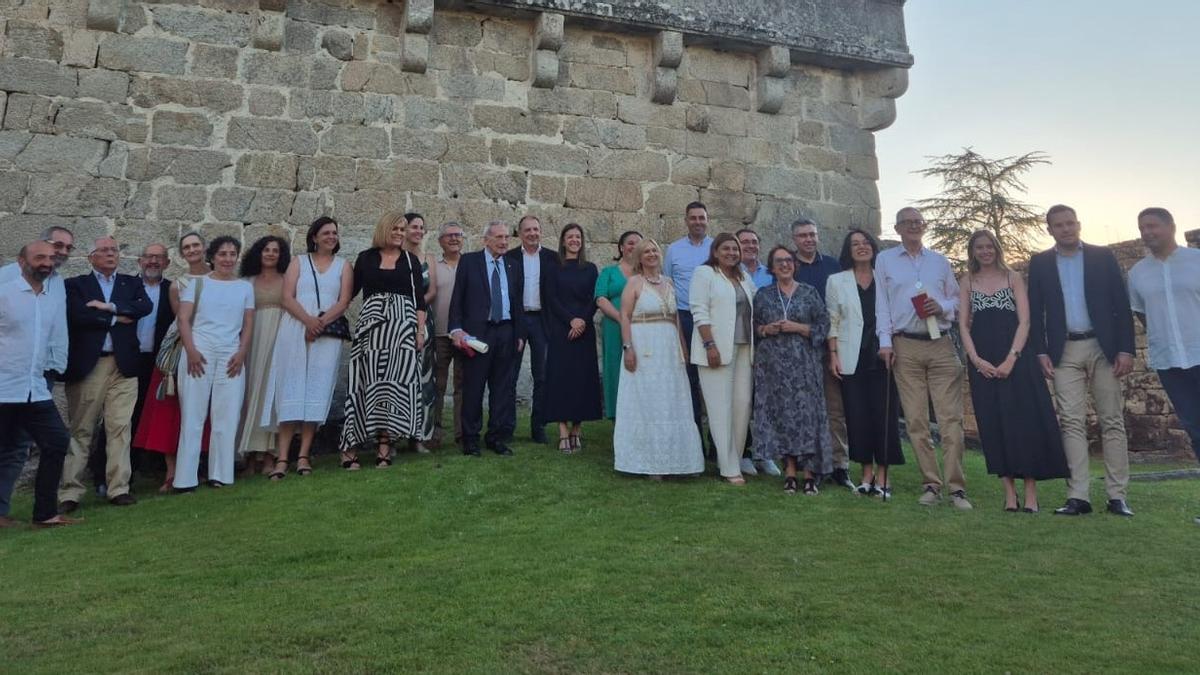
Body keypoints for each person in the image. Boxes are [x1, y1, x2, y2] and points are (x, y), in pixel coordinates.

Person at [1027, 204, 1136, 517]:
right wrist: (1041, 351)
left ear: (1079, 224)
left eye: (1071, 223)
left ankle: (1117, 496)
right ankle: (1078, 496)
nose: (1066, 229)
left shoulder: (1102, 257)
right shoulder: (1041, 263)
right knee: (1071, 422)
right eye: (1059, 225)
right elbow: (1035, 311)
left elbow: (1121, 304)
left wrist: (1126, 349)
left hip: (1104, 348)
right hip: (1065, 350)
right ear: (1050, 230)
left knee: (1112, 420)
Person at [958, 230, 1068, 512]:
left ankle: (1030, 492)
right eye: (979, 247)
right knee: (994, 424)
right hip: (983, 362)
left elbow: (1025, 322)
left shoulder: (1013, 277)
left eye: (989, 246)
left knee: (1024, 423)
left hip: (1017, 359)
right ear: (972, 251)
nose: (985, 251)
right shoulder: (968, 281)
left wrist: (1011, 358)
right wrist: (976, 360)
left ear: (997, 248)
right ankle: (1009, 493)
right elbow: (963, 326)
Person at [876, 207, 972, 509]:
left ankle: (957, 488)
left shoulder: (939, 261)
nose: (914, 227)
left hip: (940, 343)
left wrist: (940, 306)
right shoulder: (885, 260)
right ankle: (931, 483)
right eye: (908, 223)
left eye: (918, 222)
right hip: (906, 345)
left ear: (924, 226)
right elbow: (883, 304)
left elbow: (957, 300)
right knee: (916, 420)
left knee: (950, 419)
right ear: (898, 228)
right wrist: (885, 343)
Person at [58, 237, 152, 512]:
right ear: (91, 257)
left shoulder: (131, 283)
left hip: (124, 366)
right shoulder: (76, 285)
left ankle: (118, 487)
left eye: (114, 250)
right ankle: (70, 492)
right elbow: (77, 316)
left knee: (120, 428)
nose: (111, 254)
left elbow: (143, 307)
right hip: (91, 366)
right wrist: (115, 318)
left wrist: (108, 307)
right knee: (82, 429)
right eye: (105, 251)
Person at [263, 217, 352, 477]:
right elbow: (286, 297)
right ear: (314, 236)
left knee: (316, 389)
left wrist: (320, 324)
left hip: (326, 333)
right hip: (295, 329)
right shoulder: (298, 262)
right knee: (290, 389)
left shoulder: (343, 266)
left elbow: (344, 300)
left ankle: (303, 455)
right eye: (326, 232)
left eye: (335, 232)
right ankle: (282, 458)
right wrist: (308, 321)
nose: (331, 237)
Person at [1127, 207, 1199, 524]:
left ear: (1171, 226)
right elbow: (1141, 314)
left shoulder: (1196, 261)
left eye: (1153, 226)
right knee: (1196, 430)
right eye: (1142, 227)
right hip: (1170, 361)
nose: (1147, 232)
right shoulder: (1138, 274)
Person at [0, 241, 76, 528]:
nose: (46, 262)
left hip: (34, 389)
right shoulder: (4, 295)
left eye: (50, 258)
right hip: (3, 388)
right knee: (5, 450)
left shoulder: (51, 300)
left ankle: (45, 514)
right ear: (21, 261)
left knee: (57, 442)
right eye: (39, 257)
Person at [341, 212, 427, 468]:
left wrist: (419, 332)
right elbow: (349, 293)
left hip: (401, 329)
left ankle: (384, 447)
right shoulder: (366, 258)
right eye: (396, 229)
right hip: (371, 330)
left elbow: (419, 301)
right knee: (363, 384)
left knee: (393, 387)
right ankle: (349, 447)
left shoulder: (410, 261)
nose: (400, 233)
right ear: (384, 230)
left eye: (403, 229)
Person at [613, 238, 704, 477]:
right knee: (648, 399)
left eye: (655, 250)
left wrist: (684, 348)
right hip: (644, 345)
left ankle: (680, 460)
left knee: (672, 400)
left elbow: (675, 319)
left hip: (669, 348)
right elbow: (624, 316)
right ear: (639, 258)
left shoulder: (670, 283)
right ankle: (650, 462)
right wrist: (627, 347)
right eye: (646, 252)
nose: (652, 254)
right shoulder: (634, 283)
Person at [826, 229, 903, 498]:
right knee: (857, 417)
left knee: (885, 416)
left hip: (883, 355)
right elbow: (832, 320)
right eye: (855, 244)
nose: (861, 247)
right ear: (848, 250)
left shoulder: (886, 279)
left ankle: (883, 476)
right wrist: (833, 354)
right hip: (851, 356)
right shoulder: (836, 281)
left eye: (866, 242)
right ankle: (866, 474)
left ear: (873, 247)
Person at [175, 236, 255, 490]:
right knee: (193, 415)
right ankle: (185, 478)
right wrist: (191, 351)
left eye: (232, 254)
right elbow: (184, 319)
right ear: (213, 256)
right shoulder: (197, 284)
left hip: (230, 354)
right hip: (200, 351)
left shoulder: (244, 288)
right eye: (223, 254)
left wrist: (242, 353)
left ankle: (220, 474)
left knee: (227, 415)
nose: (228, 259)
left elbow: (248, 324)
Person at [133, 232, 210, 492]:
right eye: (187, 247)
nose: (192, 250)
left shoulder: (221, 280)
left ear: (204, 247)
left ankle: (201, 467)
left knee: (204, 410)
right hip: (181, 349)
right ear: (181, 253)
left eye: (196, 245)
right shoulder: (177, 285)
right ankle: (172, 471)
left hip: (214, 346)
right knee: (171, 407)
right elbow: (184, 321)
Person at [752, 246, 831, 494]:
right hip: (773, 367)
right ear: (772, 267)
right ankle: (788, 471)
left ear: (795, 265)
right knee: (782, 417)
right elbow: (754, 326)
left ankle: (809, 473)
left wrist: (798, 327)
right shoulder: (763, 295)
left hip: (804, 365)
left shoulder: (809, 292)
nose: (785, 265)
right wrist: (767, 330)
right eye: (779, 261)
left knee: (807, 417)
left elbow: (823, 324)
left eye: (788, 260)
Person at [448, 221, 526, 457]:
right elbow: (457, 298)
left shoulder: (513, 265)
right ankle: (470, 439)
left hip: (506, 332)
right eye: (499, 238)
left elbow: (518, 303)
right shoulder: (469, 262)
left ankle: (496, 437)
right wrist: (456, 330)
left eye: (506, 238)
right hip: (478, 335)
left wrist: (520, 333)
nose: (504, 242)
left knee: (501, 389)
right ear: (486, 240)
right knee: (473, 388)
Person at [690, 233, 757, 485]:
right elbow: (699, 309)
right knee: (720, 408)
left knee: (742, 404)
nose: (732, 252)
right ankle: (729, 469)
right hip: (716, 349)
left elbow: (757, 303)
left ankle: (733, 458)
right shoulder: (705, 274)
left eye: (735, 249)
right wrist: (709, 344)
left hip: (743, 348)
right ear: (715, 251)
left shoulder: (743, 277)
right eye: (726, 248)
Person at [792, 218, 854, 490]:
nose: (809, 239)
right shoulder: (788, 266)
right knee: (804, 408)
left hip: (831, 346)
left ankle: (840, 465)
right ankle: (808, 466)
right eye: (803, 235)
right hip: (800, 348)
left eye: (812, 234)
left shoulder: (832, 266)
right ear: (795, 239)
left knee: (835, 409)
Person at [543, 224, 602, 452]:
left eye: (578, 236)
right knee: (561, 379)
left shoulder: (590, 268)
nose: (574, 240)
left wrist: (582, 321)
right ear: (563, 241)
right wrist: (571, 320)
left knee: (582, 380)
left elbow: (594, 298)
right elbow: (551, 298)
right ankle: (563, 431)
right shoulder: (553, 267)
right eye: (570, 237)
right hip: (562, 329)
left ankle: (577, 428)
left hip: (584, 330)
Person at [236, 235, 290, 475]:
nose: (270, 254)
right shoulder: (246, 282)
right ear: (258, 253)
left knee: (272, 396)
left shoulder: (288, 280)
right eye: (266, 250)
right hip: (252, 339)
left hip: (279, 339)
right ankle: (248, 455)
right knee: (249, 394)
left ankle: (269, 455)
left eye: (275, 250)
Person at [505, 215, 557, 444]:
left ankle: (539, 427)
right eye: (528, 230)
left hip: (541, 320)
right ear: (520, 233)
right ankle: (507, 426)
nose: (533, 233)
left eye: (536, 229)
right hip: (517, 319)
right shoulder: (510, 257)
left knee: (542, 375)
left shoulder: (553, 259)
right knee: (510, 375)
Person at [734, 227, 781, 478]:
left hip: (769, 343)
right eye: (744, 242)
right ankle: (744, 452)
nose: (750, 246)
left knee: (766, 401)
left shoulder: (770, 273)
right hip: (741, 341)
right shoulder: (731, 274)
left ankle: (766, 454)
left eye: (754, 242)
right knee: (742, 399)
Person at [664, 202, 713, 433]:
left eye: (701, 218)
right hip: (684, 317)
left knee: (713, 379)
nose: (697, 222)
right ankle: (694, 439)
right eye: (693, 218)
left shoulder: (716, 248)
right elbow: (668, 284)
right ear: (686, 220)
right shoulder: (673, 250)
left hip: (712, 319)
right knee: (689, 379)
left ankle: (717, 444)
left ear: (707, 220)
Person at [595, 230, 641, 420]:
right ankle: (617, 418)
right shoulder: (609, 272)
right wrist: (622, 318)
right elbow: (600, 298)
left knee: (639, 369)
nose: (633, 247)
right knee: (615, 369)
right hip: (614, 328)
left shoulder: (645, 273)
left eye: (638, 243)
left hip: (641, 328)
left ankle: (639, 419)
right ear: (621, 247)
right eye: (630, 243)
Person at [404, 212, 436, 453]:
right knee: (399, 378)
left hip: (424, 322)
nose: (418, 231)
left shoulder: (429, 259)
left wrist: (417, 306)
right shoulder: (396, 257)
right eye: (414, 226)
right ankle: (392, 436)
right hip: (399, 320)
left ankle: (419, 436)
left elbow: (432, 290)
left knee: (423, 380)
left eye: (421, 227)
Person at [432, 221, 466, 448]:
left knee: (463, 386)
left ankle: (462, 433)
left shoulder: (471, 265)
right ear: (440, 241)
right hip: (440, 334)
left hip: (464, 336)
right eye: (449, 236)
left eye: (457, 235)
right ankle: (433, 434)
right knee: (437, 385)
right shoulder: (434, 266)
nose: (454, 239)